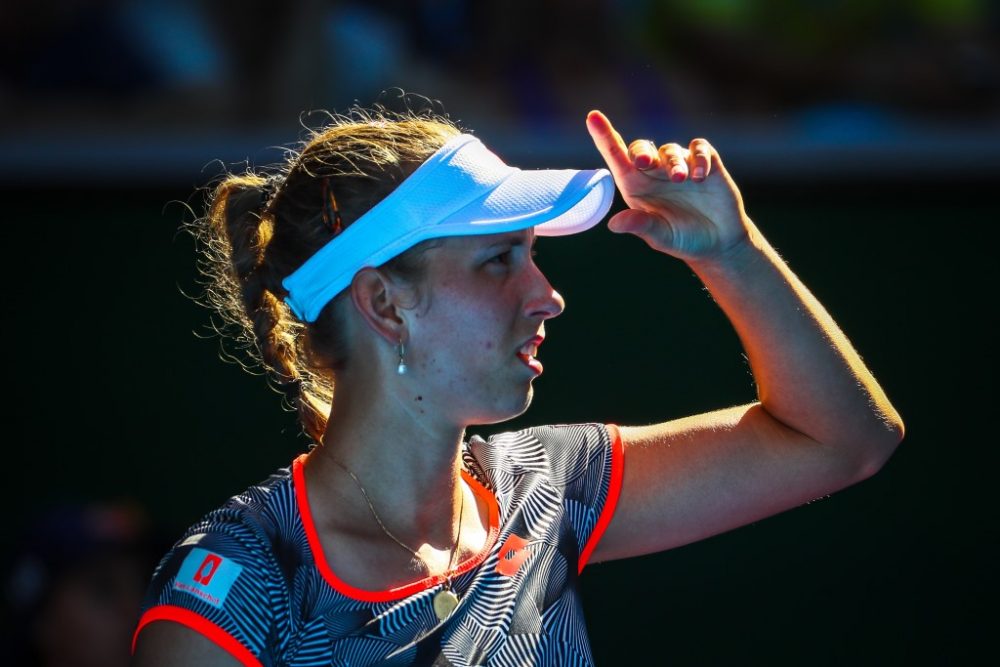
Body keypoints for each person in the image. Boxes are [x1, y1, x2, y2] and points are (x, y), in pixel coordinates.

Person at [131, 106, 904, 666]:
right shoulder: (230, 597)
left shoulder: (549, 484)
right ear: (384, 302)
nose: (547, 295)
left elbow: (846, 439)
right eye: (499, 260)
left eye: (532, 257)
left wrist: (731, 251)